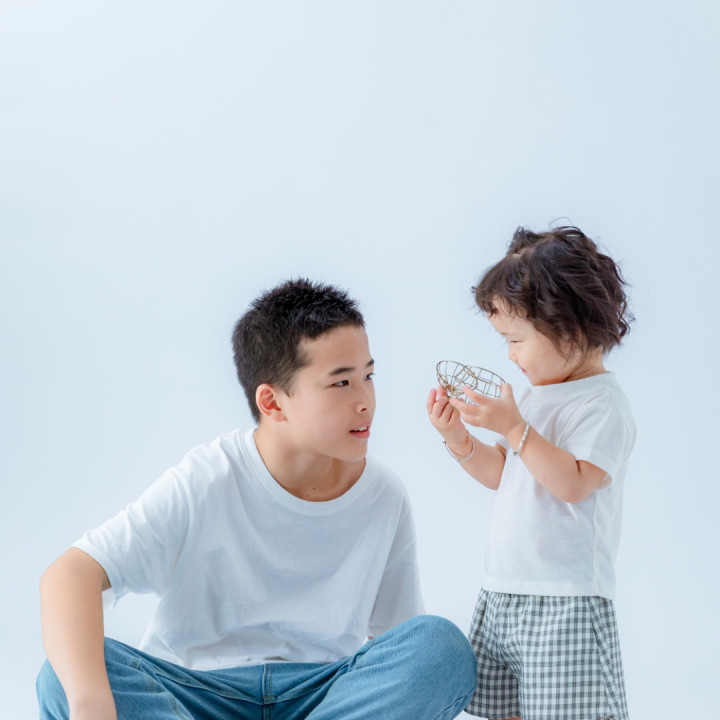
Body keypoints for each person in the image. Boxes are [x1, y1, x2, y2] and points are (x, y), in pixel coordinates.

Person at [38, 278, 477, 720]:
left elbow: (400, 646)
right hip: (195, 694)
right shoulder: (207, 479)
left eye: (368, 376)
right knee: (63, 675)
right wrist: (92, 705)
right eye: (341, 383)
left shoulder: (384, 496)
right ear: (273, 403)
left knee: (438, 647)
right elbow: (70, 575)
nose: (365, 401)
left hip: (322, 698)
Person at [426, 226, 635, 720]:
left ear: (570, 329)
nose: (510, 355)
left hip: (565, 601)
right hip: (504, 590)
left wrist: (515, 427)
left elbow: (573, 484)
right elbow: (504, 473)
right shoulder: (536, 397)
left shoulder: (601, 405)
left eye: (515, 340)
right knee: (508, 710)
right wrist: (459, 440)